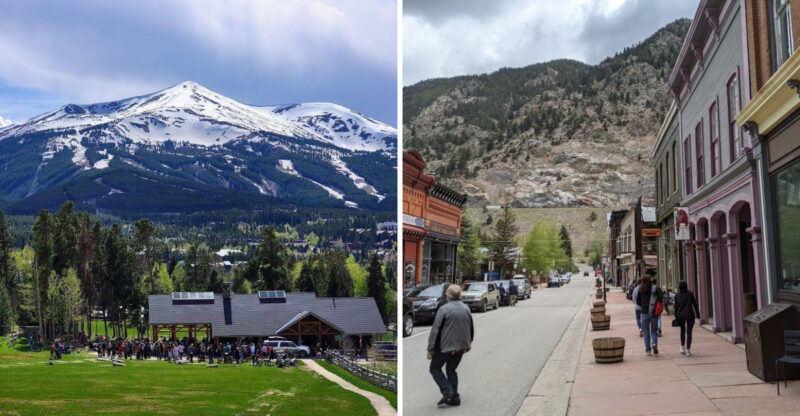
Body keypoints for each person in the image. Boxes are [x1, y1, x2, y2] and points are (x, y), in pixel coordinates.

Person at [427, 284, 474, 407]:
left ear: (448, 296)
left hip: (446, 347)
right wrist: (468, 344)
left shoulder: (444, 309)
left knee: (434, 368)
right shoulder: (466, 308)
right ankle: (455, 398)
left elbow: (435, 330)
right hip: (462, 347)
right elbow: (470, 328)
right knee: (451, 370)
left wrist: (430, 349)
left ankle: (447, 391)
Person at [674, 280, 700, 356]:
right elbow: (695, 304)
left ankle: (682, 347)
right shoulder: (690, 294)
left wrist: (676, 316)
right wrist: (698, 315)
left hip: (680, 315)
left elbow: (676, 307)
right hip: (690, 315)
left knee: (682, 331)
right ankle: (688, 349)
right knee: (689, 332)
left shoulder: (677, 295)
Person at [636, 276, 660, 356]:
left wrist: (643, 306)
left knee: (646, 332)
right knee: (654, 330)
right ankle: (654, 344)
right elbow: (660, 297)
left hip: (644, 313)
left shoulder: (640, 289)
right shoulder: (654, 288)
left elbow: (637, 301)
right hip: (653, 313)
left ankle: (648, 350)